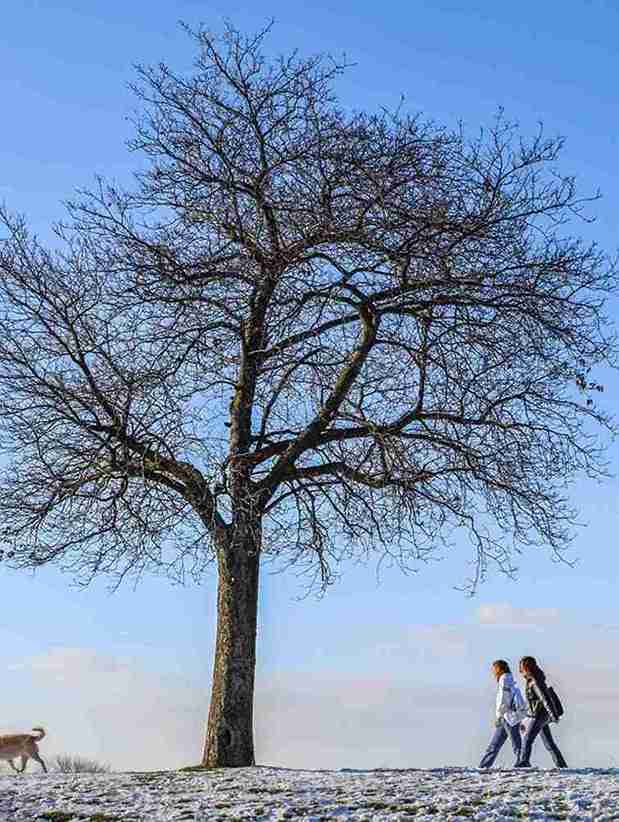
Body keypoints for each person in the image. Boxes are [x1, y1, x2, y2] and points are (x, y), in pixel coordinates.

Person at [515, 656, 567, 769]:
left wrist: (553, 715)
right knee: (549, 743)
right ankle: (561, 765)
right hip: (540, 714)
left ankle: (524, 762)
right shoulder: (533, 679)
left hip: (540, 714)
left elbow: (544, 697)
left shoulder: (534, 680)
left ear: (526, 667)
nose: (520, 671)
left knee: (527, 739)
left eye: (521, 667)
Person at [479, 659, 526, 769]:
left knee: (516, 744)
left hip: (507, 716)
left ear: (499, 669)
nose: (493, 672)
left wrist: (500, 714)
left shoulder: (504, 679)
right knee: (495, 744)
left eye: (494, 669)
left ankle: (523, 763)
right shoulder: (509, 679)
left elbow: (503, 699)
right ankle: (484, 765)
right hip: (508, 716)